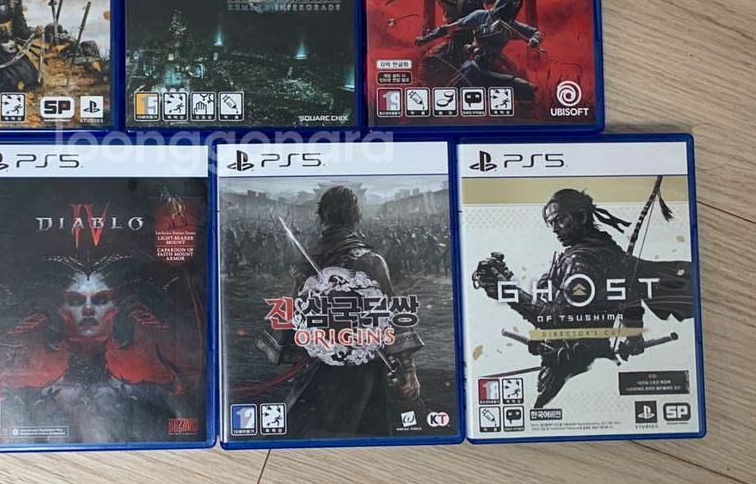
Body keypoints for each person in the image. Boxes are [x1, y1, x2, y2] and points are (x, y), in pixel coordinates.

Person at [473, 188, 693, 408]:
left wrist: (506, 291)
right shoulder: (605, 250)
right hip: (580, 361)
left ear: (581, 217)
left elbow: (557, 319)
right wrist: (633, 335)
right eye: (551, 223)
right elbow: (629, 291)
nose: (555, 229)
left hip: (573, 365)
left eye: (560, 220)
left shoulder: (582, 261)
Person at [0, 259, 199, 443]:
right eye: (75, 301)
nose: (88, 309)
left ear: (115, 312)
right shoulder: (25, 399)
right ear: (60, 313)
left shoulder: (152, 396)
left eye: (101, 300)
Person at [282, 186, 423, 437]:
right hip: (361, 369)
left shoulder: (307, 263)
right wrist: (408, 370)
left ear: (322, 217)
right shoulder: (370, 261)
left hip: (319, 364)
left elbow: (293, 317)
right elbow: (392, 316)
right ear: (356, 217)